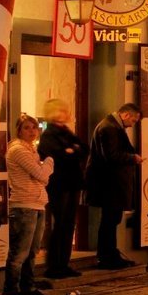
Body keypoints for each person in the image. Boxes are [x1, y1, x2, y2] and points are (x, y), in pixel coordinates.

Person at [3, 115, 52, 295]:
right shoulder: (18, 150)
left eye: (34, 127)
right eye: (26, 128)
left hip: (37, 204)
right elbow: (41, 174)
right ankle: (11, 291)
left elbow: (42, 178)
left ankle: (28, 288)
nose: (32, 131)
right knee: (19, 253)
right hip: (24, 205)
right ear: (18, 130)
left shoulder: (31, 150)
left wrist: (43, 170)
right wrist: (49, 162)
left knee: (32, 252)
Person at [85, 103, 141, 269]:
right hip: (109, 184)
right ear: (125, 115)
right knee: (109, 220)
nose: (134, 123)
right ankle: (106, 256)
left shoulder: (112, 126)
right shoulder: (109, 128)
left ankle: (111, 254)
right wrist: (133, 158)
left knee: (112, 219)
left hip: (112, 184)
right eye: (134, 119)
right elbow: (111, 155)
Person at [39, 102, 87, 279]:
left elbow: (84, 149)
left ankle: (64, 263)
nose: (65, 113)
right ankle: (54, 265)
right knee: (59, 224)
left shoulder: (67, 132)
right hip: (59, 184)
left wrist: (72, 150)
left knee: (68, 224)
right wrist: (72, 151)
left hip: (72, 182)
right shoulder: (49, 135)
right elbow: (56, 155)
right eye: (61, 110)